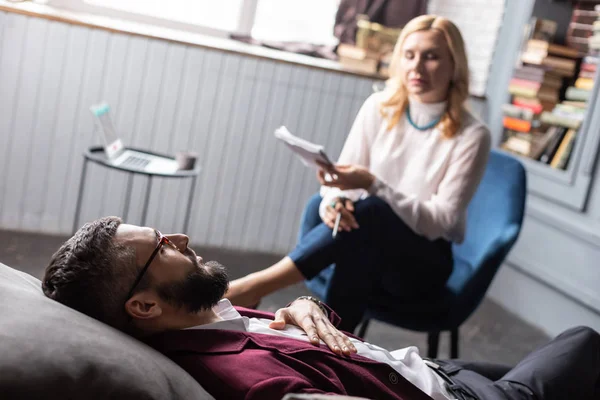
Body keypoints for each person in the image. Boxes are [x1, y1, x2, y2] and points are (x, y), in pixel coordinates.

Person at [43, 217, 600, 400]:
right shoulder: (245, 376)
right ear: (141, 304)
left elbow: (321, 346)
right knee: (583, 342)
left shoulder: (201, 319)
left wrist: (306, 306)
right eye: (161, 246)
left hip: (418, 369)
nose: (180, 237)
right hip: (443, 395)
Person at [225, 14, 492, 331]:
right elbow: (342, 181)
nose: (417, 68)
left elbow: (441, 223)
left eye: (431, 57)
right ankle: (333, 342)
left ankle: (255, 286)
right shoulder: (379, 106)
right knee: (328, 211)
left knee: (374, 212)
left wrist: (373, 184)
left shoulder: (472, 135)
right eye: (409, 55)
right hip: (368, 240)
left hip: (420, 266)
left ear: (454, 65)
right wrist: (334, 202)